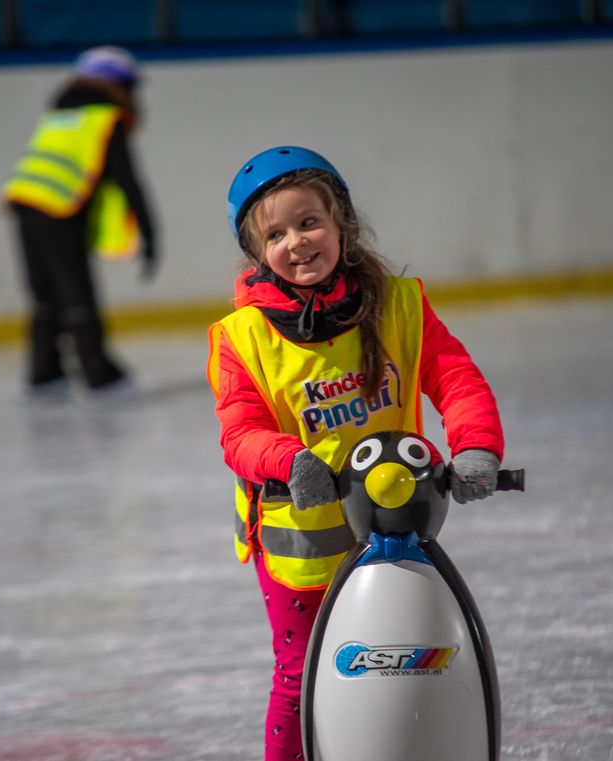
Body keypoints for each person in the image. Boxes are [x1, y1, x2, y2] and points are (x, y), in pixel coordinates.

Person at [205, 146, 505, 760]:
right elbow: (239, 433)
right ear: (257, 253)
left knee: (407, 661)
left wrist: (475, 447)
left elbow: (457, 379)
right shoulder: (241, 338)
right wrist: (291, 461)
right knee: (301, 676)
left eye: (309, 222)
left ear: (342, 222)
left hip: (394, 529)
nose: (297, 242)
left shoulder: (399, 306)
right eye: (276, 234)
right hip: (302, 544)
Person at [2, 45, 158, 393]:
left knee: (44, 293)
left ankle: (44, 371)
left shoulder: (58, 115)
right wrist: (150, 236)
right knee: (77, 292)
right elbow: (128, 180)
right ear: (119, 85)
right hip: (58, 207)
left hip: (24, 200)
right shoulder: (105, 118)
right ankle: (98, 373)